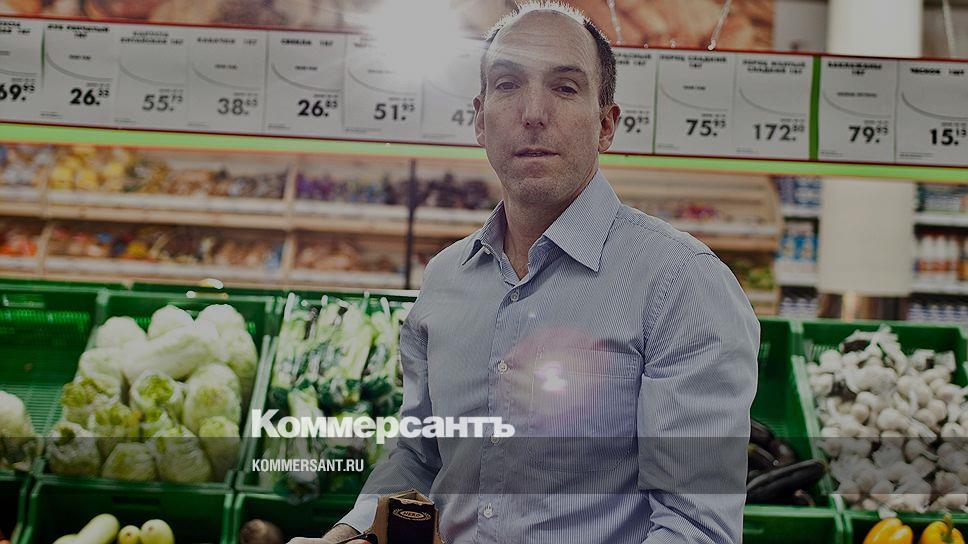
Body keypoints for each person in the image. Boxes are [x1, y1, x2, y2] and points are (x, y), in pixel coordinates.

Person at [299, 2, 758, 543]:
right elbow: (421, 455)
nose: (534, 112)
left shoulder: (681, 284)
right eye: (508, 84)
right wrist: (344, 535)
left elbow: (694, 526)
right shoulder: (446, 277)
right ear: (480, 119)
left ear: (606, 125)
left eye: (565, 87)